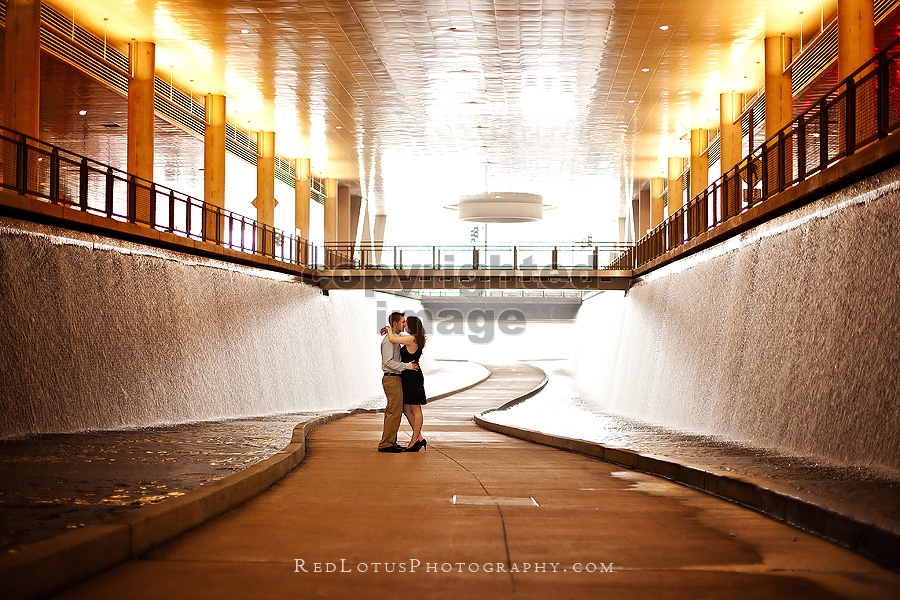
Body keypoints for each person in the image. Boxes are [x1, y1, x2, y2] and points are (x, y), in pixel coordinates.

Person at [385, 315, 427, 452]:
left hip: (413, 376)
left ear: (411, 327)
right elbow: (398, 336)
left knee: (415, 409)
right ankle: (419, 438)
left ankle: (414, 439)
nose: (404, 326)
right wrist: (394, 331)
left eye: (406, 324)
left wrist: (388, 329)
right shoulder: (415, 337)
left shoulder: (411, 339)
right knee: (405, 408)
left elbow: (393, 339)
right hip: (408, 376)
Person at [378, 312, 419, 453]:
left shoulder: (394, 338)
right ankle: (386, 443)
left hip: (395, 378)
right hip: (391, 378)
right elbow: (388, 362)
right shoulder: (389, 340)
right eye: (402, 322)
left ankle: (391, 441)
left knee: (394, 411)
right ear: (395, 323)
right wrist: (407, 366)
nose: (404, 324)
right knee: (394, 412)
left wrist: (387, 329)